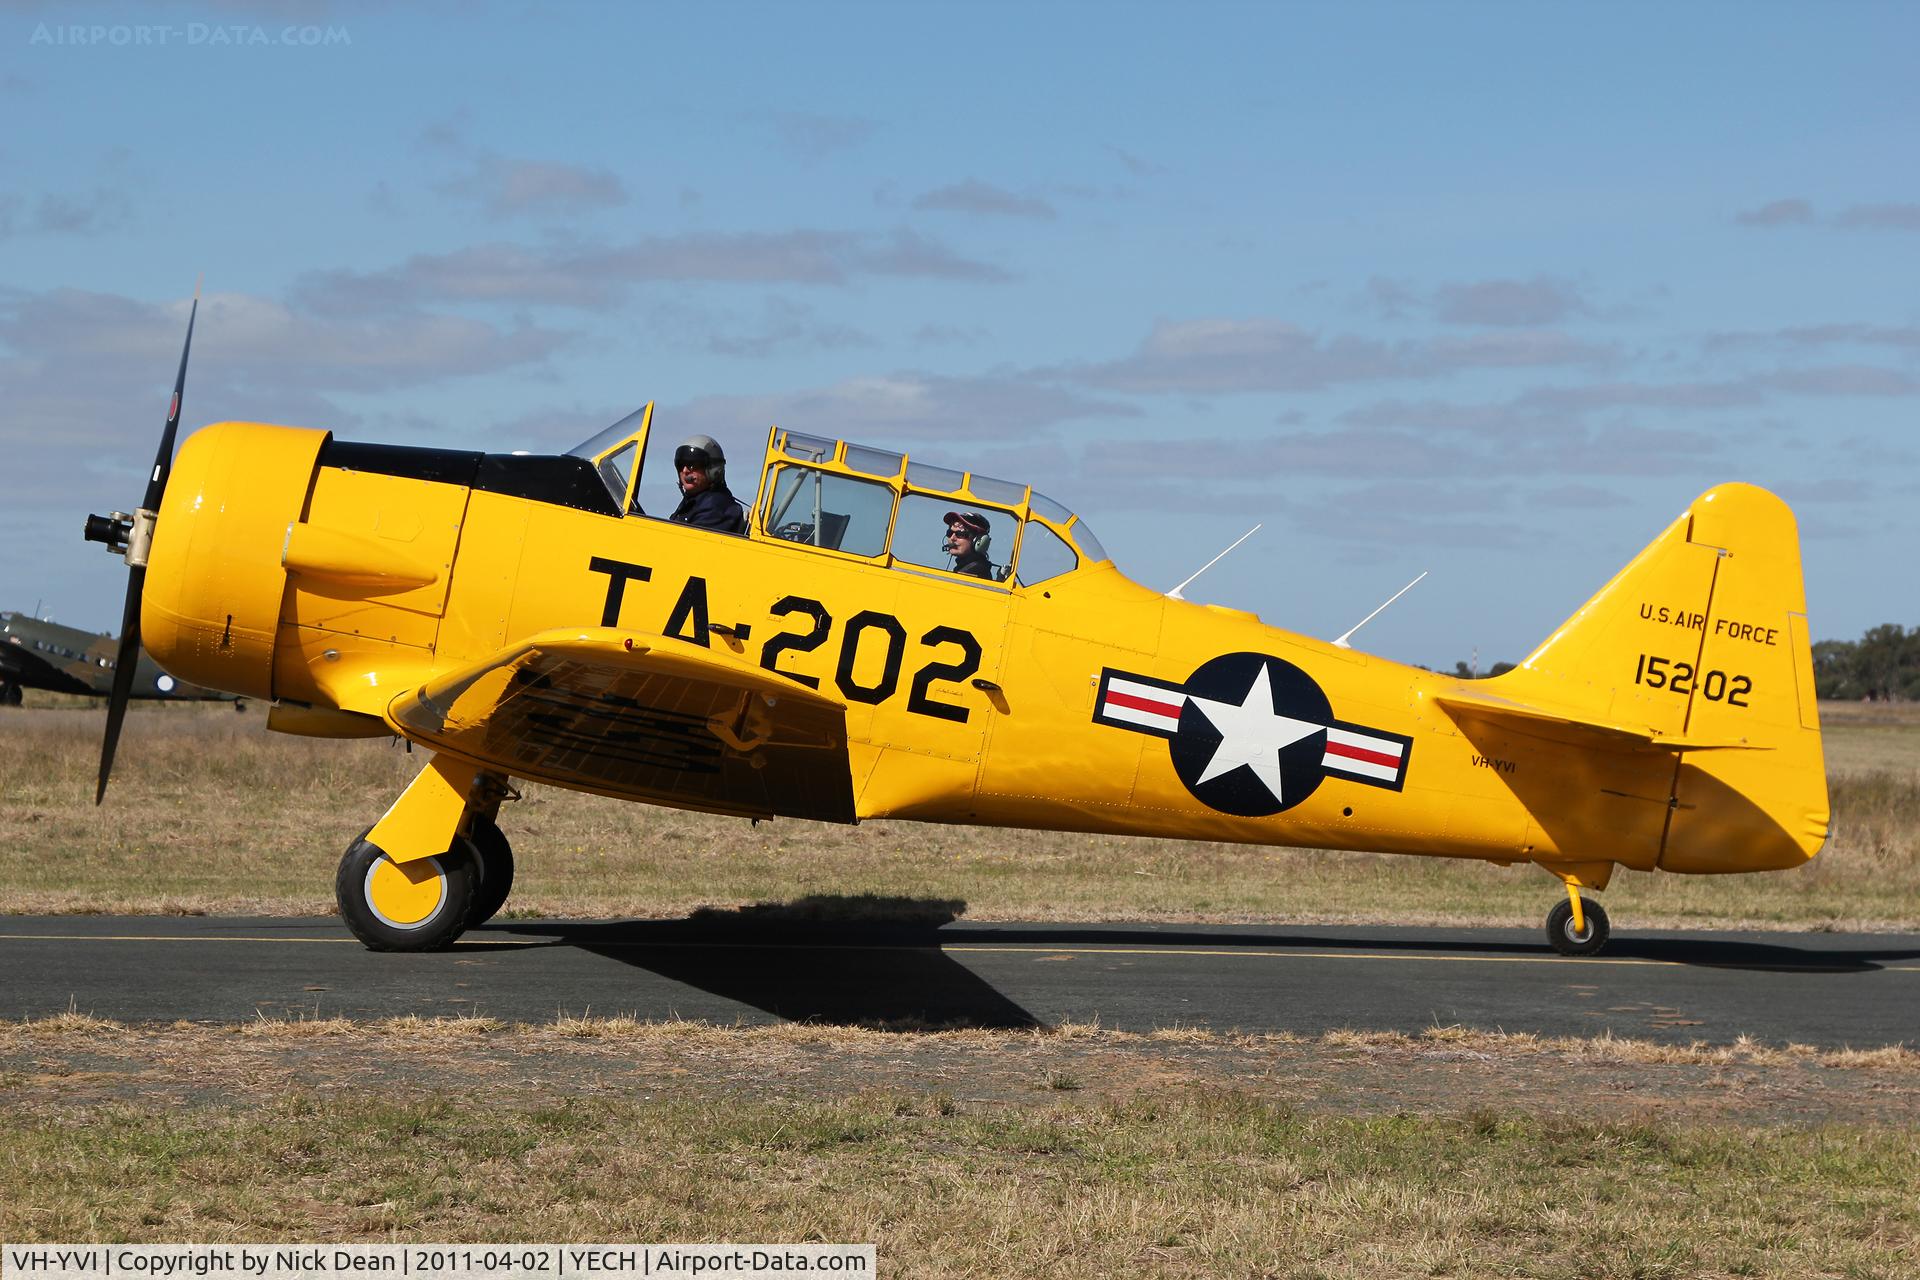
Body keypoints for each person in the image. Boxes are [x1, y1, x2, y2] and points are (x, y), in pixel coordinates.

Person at [669, 434, 746, 534]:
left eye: (692, 465)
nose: (685, 471)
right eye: (681, 465)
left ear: (713, 470)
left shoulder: (716, 506)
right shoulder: (693, 502)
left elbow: (690, 543)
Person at [943, 510, 993, 578]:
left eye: (960, 534)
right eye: (950, 533)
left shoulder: (975, 574)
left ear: (977, 540)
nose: (952, 538)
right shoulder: (965, 569)